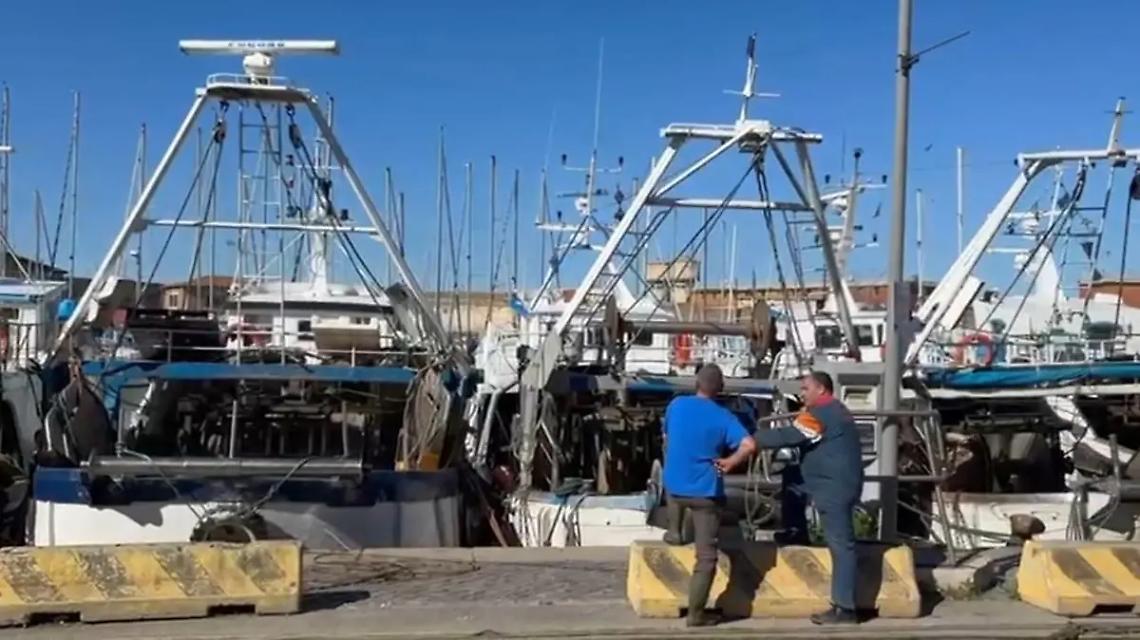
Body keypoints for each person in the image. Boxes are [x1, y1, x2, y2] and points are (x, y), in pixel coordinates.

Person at [754, 370, 864, 625]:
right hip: (830, 483)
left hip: (834, 488)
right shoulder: (834, 410)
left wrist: (753, 439)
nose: (802, 393)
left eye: (805, 388)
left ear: (821, 390)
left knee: (841, 545)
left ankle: (845, 608)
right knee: (792, 479)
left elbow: (791, 435)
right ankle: (796, 530)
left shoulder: (821, 413)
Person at [661, 364, 757, 627]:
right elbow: (749, 445)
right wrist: (729, 461)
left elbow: (667, 437)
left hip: (674, 487)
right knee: (706, 558)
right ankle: (696, 615)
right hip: (705, 491)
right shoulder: (724, 417)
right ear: (721, 388)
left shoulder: (676, 405)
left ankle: (674, 531)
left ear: (696, 382)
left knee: (672, 483)